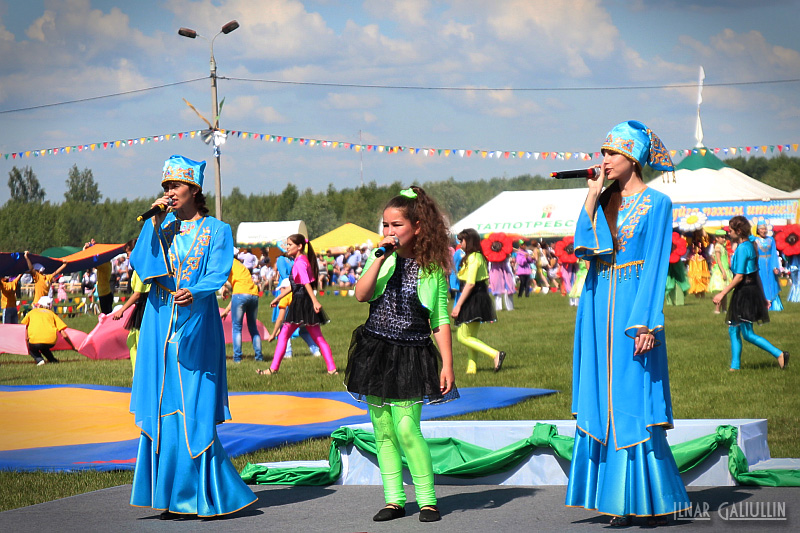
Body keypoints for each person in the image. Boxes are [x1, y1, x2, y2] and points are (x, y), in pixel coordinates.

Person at [565, 120, 690, 526]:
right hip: (596, 304)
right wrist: (592, 193)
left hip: (632, 311)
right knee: (601, 396)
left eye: (611, 153)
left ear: (633, 157)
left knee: (633, 398)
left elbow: (655, 265)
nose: (604, 160)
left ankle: (647, 498)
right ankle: (615, 499)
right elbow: (585, 246)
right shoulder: (605, 200)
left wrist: (646, 324)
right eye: (602, 153)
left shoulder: (658, 203)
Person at [128, 154, 256, 519]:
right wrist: (153, 222)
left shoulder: (217, 230)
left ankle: (205, 493)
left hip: (197, 321)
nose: (170, 192)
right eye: (166, 186)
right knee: (163, 402)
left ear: (194, 190)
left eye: (176, 186)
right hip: (159, 320)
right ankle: (169, 497)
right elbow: (142, 264)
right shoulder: (162, 226)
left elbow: (218, 272)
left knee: (194, 402)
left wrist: (196, 292)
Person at [344, 186, 456, 523]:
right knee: (383, 430)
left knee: (407, 429)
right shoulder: (381, 257)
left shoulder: (431, 268)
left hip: (411, 353)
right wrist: (379, 257)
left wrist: (448, 363)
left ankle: (428, 500)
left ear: (417, 227)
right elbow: (361, 295)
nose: (389, 231)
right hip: (376, 350)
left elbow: (440, 318)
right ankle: (394, 499)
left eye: (397, 225)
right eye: (385, 225)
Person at [712, 216, 789, 371]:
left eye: (731, 230)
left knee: (747, 334)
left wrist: (722, 293)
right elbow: (756, 273)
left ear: (739, 231)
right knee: (733, 328)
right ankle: (735, 367)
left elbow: (739, 276)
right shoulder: (750, 245)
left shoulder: (743, 248)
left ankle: (779, 354)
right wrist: (762, 296)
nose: (728, 233)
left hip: (745, 293)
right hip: (749, 290)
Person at [257, 234, 337, 375]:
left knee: (283, 335)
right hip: (305, 302)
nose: (287, 247)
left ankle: (272, 369)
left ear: (299, 246)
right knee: (318, 338)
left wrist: (315, 301)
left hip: (300, 303)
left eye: (289, 245)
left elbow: (305, 283)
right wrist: (279, 297)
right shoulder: (302, 260)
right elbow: (295, 285)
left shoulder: (299, 263)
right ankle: (332, 369)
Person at [451, 228, 505, 374]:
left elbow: (470, 284)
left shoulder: (474, 258)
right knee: (471, 336)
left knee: (462, 336)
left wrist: (458, 305)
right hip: (477, 296)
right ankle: (472, 368)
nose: (460, 243)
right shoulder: (475, 256)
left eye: (462, 240)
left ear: (469, 241)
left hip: (473, 297)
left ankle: (495, 354)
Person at [221, 257, 264, 363]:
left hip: (240, 295)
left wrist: (224, 288)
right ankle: (259, 357)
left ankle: (237, 358)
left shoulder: (227, 261)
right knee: (253, 327)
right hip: (253, 295)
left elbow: (221, 277)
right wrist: (226, 311)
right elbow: (240, 291)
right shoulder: (240, 266)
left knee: (236, 328)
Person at [111, 271, 150, 375]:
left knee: (139, 343)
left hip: (144, 308)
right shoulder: (137, 270)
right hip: (140, 307)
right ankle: (137, 373)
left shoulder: (141, 270)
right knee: (132, 341)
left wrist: (122, 310)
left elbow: (137, 294)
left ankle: (140, 375)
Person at [21, 296, 77, 365]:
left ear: (39, 304)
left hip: (35, 341)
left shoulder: (32, 312)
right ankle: (52, 360)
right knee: (44, 347)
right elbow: (63, 333)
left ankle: (39, 360)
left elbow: (24, 326)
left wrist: (26, 338)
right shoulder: (52, 314)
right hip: (51, 342)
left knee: (32, 348)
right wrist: (73, 346)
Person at [755, 223, 784, 312]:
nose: (764, 231)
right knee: (762, 282)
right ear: (758, 230)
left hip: (770, 262)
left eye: (765, 229)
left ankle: (774, 305)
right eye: (761, 229)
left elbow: (774, 253)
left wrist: (775, 267)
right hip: (760, 264)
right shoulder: (755, 240)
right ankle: (762, 304)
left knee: (772, 282)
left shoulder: (771, 240)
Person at [709, 230, 732, 314]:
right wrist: (723, 271)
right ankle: (717, 309)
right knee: (721, 292)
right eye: (722, 237)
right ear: (717, 238)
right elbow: (718, 260)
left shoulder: (722, 247)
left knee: (724, 291)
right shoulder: (718, 247)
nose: (724, 239)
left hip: (725, 269)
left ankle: (724, 309)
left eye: (724, 237)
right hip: (721, 271)